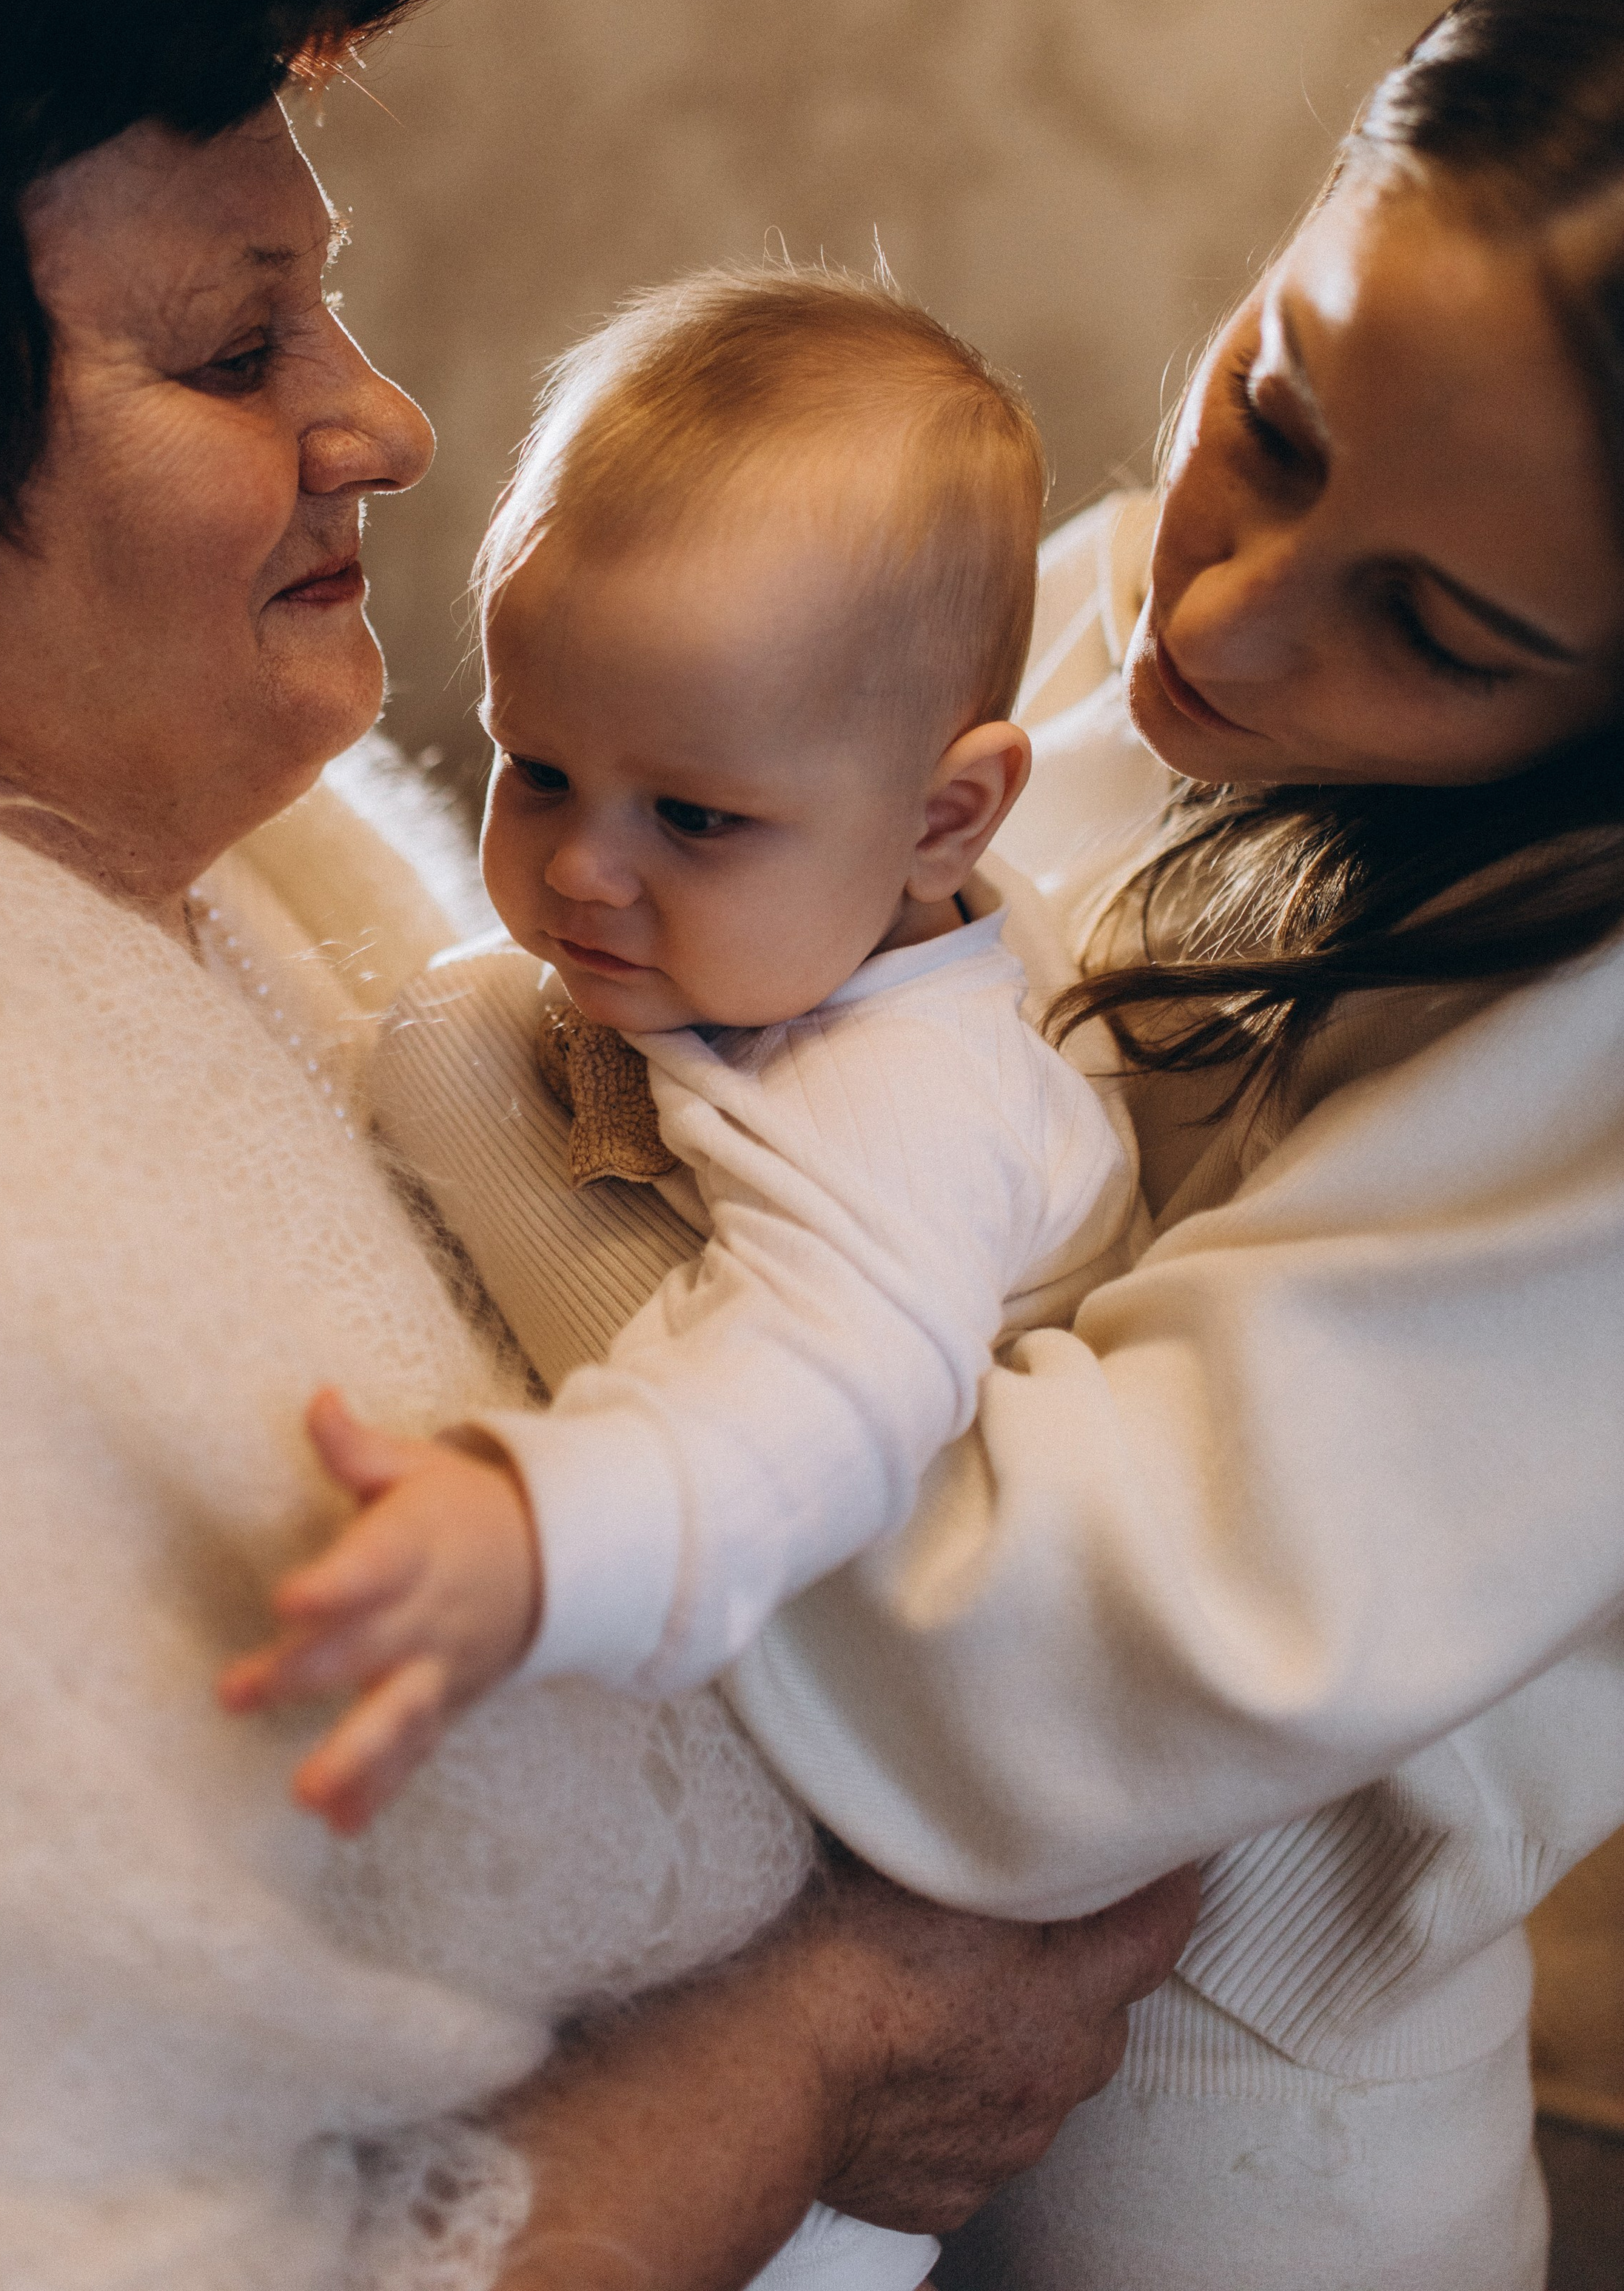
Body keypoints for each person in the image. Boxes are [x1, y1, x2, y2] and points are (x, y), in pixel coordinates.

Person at [0, 0, 1191, 2291]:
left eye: (329, 310)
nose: (386, 418)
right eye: (233, 349)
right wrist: (841, 2037)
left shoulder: (253, 878)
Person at [295, 0, 1624, 2291]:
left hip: (1236, 2171)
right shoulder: (1102, 634)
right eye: (1276, 419)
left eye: (1437, 631)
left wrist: (500, 1112)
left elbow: (1002, 1677)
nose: (1210, 624)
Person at [222, 266, 1138, 1857]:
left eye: (694, 818)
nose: (582, 870)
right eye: (540, 770)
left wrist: (533, 1535)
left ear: (944, 823)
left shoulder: (907, 1098)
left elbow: (809, 1403)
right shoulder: (819, 931)